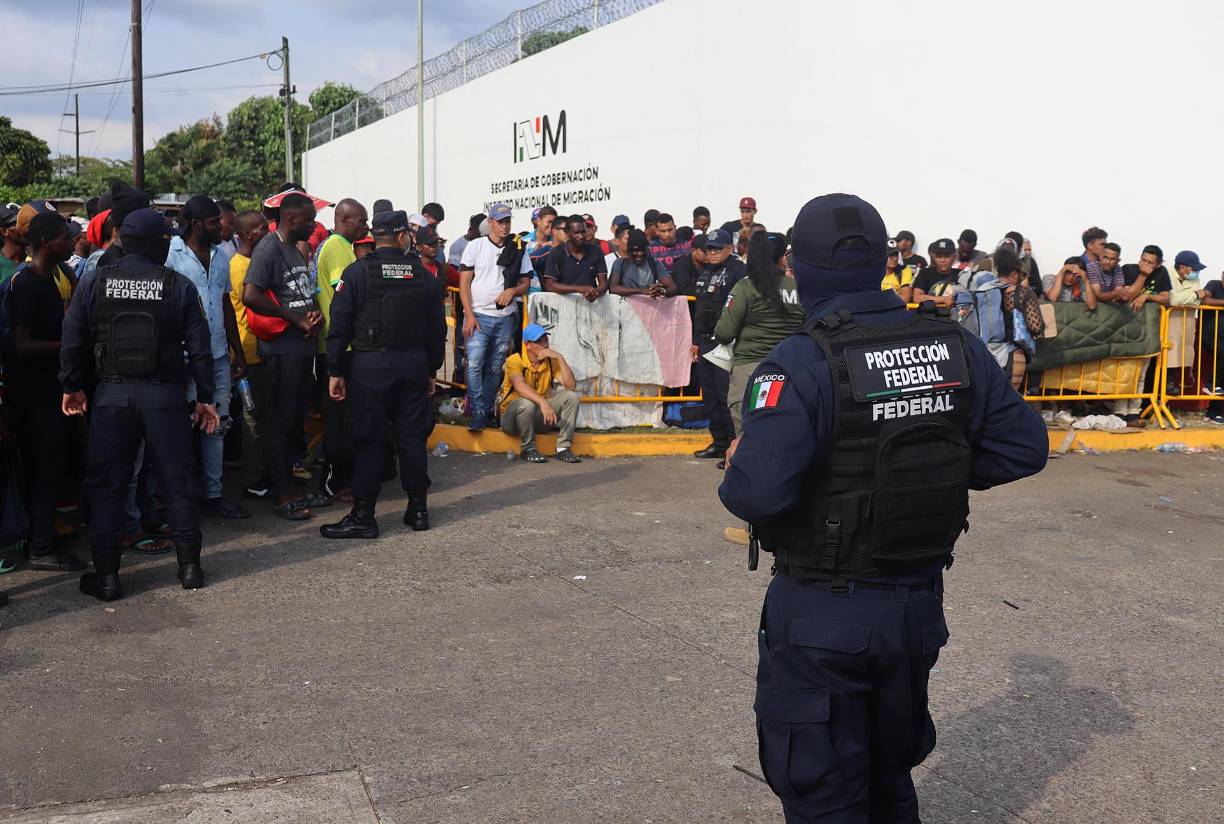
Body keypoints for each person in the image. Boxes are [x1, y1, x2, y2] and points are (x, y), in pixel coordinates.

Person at [719, 193, 1048, 823]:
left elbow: (754, 494)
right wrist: (927, 471)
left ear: (800, 267)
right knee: (886, 777)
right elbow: (1024, 447)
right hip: (915, 607)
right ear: (880, 261)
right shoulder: (953, 344)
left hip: (822, 611)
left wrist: (740, 459)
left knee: (824, 794)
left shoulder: (801, 360)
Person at [61, 208, 222, 601]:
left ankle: (109, 577)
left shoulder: (95, 281)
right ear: (158, 245)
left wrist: (72, 385)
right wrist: (205, 398)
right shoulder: (178, 284)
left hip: (112, 396)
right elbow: (200, 349)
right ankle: (189, 568)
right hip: (165, 396)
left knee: (107, 485)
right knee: (178, 481)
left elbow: (73, 336)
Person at [320, 210, 446, 538]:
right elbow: (437, 330)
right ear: (403, 236)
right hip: (413, 366)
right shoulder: (424, 276)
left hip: (370, 368)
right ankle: (418, 510)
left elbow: (340, 325)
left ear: (375, 236)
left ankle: (364, 516)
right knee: (411, 438)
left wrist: (335, 370)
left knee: (369, 439)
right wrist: (431, 369)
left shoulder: (358, 273)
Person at [241, 192, 331, 520]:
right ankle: (282, 495)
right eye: (309, 219)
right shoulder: (269, 247)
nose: (314, 225)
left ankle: (293, 487)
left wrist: (310, 315)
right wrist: (293, 318)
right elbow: (250, 295)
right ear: (291, 219)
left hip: (300, 346)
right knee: (278, 422)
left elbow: (297, 296)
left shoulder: (294, 249)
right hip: (280, 350)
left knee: (293, 421)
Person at [6, 213, 86, 572]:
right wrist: (68, 344)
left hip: (52, 389)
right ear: (43, 244)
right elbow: (22, 345)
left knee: (52, 468)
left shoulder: (55, 278)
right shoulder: (27, 283)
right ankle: (40, 548)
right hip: (35, 395)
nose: (69, 244)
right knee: (42, 468)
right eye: (62, 239)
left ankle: (44, 540)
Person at [165, 195, 249, 520]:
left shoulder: (221, 256)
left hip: (217, 356)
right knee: (183, 426)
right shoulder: (171, 255)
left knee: (218, 424)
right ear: (198, 223)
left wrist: (236, 350)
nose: (221, 227)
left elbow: (225, 304)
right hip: (185, 357)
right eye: (215, 222)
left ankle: (213, 495)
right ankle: (181, 497)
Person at [714, 231, 805, 439]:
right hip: (789, 371)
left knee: (747, 440)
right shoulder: (799, 289)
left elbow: (724, 333)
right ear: (783, 258)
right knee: (784, 436)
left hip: (748, 372)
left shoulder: (745, 287)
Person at [458, 203, 532, 432]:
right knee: (474, 364)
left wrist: (512, 291)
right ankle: (480, 410)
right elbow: (464, 282)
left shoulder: (519, 247)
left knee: (494, 366)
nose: (505, 226)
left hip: (505, 316)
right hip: (479, 314)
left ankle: (485, 409)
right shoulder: (475, 246)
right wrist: (468, 315)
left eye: (508, 221)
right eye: (500, 221)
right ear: (490, 222)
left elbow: (526, 282)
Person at [314, 198, 369, 500]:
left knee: (345, 416)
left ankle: (342, 477)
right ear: (345, 219)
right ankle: (333, 482)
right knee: (338, 418)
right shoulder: (336, 247)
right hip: (339, 345)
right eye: (361, 220)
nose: (365, 226)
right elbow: (344, 297)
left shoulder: (340, 246)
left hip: (340, 343)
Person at [690, 229, 745, 463]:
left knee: (726, 396)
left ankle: (733, 446)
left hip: (726, 341)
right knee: (710, 396)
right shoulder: (706, 271)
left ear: (729, 249)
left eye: (716, 249)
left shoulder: (737, 271)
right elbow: (699, 308)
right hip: (704, 341)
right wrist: (694, 340)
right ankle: (719, 441)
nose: (711, 253)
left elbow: (738, 307)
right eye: (708, 249)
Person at [228, 211, 270, 499]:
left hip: (259, 350)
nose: (267, 232)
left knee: (261, 416)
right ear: (246, 234)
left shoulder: (251, 262)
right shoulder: (241, 267)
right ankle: (254, 479)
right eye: (261, 228)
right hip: (249, 352)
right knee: (253, 416)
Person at [498, 323, 582, 463]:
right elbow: (520, 386)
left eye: (545, 340)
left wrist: (560, 358)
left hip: (537, 417)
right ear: (527, 345)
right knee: (527, 403)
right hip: (512, 420)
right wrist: (543, 402)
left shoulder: (550, 361)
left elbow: (571, 386)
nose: (544, 344)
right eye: (539, 341)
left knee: (571, 397)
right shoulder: (515, 360)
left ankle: (563, 448)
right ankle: (528, 449)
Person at [995, 248, 1045, 390]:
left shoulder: (985, 291)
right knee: (1008, 400)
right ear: (1013, 274)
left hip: (986, 353)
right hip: (1013, 353)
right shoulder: (1023, 293)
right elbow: (1035, 326)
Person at [542, 214, 608, 301]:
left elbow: (603, 282)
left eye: (583, 232)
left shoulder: (596, 251)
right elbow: (550, 285)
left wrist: (596, 292)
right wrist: (579, 289)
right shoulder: (556, 253)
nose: (580, 236)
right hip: (564, 305)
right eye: (576, 233)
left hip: (591, 306)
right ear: (567, 232)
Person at [609, 229, 677, 298]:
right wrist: (641, 291)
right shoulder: (620, 263)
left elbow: (673, 287)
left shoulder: (654, 263)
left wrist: (661, 291)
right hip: (626, 307)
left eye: (643, 250)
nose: (640, 254)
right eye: (635, 250)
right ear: (629, 250)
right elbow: (613, 288)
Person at [911, 238, 960, 306]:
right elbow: (917, 298)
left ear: (954, 257)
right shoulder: (925, 273)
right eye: (939, 256)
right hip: (930, 315)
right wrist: (943, 299)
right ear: (933, 257)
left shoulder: (961, 275)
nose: (942, 260)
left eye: (946, 256)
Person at [0, 203, 25, 283]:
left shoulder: (35, 260)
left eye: (25, 221)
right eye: (18, 223)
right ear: (4, 231)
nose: (24, 227)